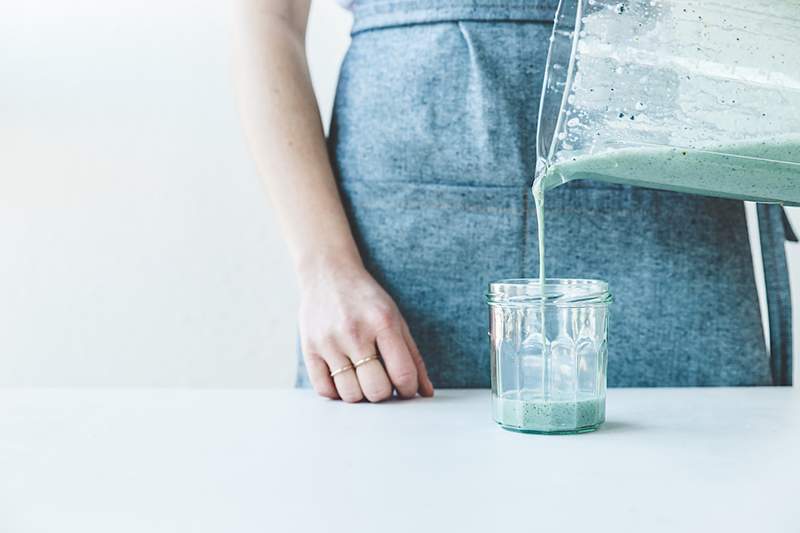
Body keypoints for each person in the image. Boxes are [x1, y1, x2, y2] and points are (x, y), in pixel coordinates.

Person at [233, 0, 794, 403]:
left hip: (670, 190)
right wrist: (325, 267)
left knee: (700, 484)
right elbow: (267, 15)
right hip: (398, 239)